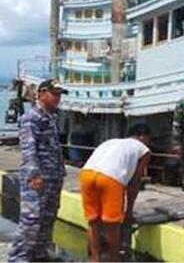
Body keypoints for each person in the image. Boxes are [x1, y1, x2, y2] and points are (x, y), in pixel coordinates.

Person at [8, 79, 68, 262]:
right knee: (31, 220)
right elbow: (28, 147)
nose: (57, 98)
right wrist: (34, 174)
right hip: (38, 178)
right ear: (41, 94)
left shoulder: (51, 117)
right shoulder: (31, 118)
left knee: (47, 218)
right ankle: (19, 257)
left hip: (53, 177)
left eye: (59, 95)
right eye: (54, 94)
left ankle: (39, 255)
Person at [79, 123, 151, 262]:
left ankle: (95, 259)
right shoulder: (144, 150)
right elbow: (135, 182)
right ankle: (114, 259)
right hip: (110, 178)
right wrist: (128, 211)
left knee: (93, 220)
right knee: (113, 223)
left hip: (86, 174)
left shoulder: (112, 141)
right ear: (143, 136)